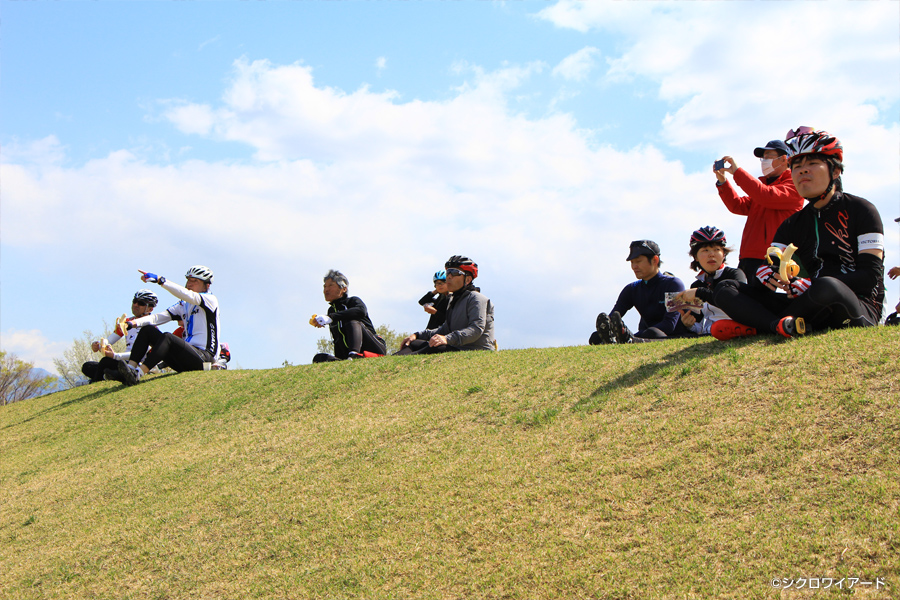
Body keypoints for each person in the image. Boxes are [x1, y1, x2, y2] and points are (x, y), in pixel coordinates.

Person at [712, 129, 885, 339]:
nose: (803, 171)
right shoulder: (791, 224)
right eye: (797, 166)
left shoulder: (863, 210)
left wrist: (810, 284)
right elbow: (766, 278)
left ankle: (760, 325)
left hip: (856, 305)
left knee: (826, 284)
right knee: (724, 287)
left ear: (836, 171)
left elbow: (870, 277)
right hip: (805, 304)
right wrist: (765, 275)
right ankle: (777, 325)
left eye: (812, 163)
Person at [715, 136, 805, 278]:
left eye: (769, 156)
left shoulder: (794, 184)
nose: (764, 161)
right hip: (748, 257)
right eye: (763, 158)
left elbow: (767, 196)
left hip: (773, 260)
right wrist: (723, 182)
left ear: (784, 159)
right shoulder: (763, 189)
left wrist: (738, 173)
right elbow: (737, 206)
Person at [118, 265, 222, 385]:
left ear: (207, 285)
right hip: (185, 358)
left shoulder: (210, 300)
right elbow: (158, 317)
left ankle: (138, 374)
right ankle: (130, 370)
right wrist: (133, 323)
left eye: (195, 281)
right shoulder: (184, 304)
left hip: (204, 358)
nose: (189, 283)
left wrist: (160, 280)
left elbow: (188, 295)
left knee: (168, 337)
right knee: (147, 330)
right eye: (188, 280)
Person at [590, 240, 685, 344]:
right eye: (632, 262)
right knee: (595, 337)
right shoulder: (632, 289)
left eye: (638, 261)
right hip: (643, 336)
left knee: (651, 333)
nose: (634, 266)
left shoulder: (674, 284)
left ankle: (630, 340)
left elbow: (669, 325)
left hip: (669, 337)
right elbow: (612, 319)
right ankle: (625, 341)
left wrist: (631, 336)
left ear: (655, 260)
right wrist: (607, 329)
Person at [397, 255, 495, 354]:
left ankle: (399, 364)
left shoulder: (477, 299)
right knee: (413, 343)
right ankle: (388, 360)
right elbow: (445, 329)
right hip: (456, 347)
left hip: (475, 350)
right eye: (448, 272)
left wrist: (447, 339)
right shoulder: (453, 299)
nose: (448, 276)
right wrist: (417, 335)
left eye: (454, 273)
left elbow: (476, 329)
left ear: (467, 280)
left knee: (433, 349)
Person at [670, 227, 749, 339]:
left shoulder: (735, 274)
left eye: (717, 249)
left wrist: (701, 293)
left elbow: (737, 303)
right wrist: (690, 325)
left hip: (736, 330)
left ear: (724, 254)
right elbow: (700, 325)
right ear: (696, 257)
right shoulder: (696, 285)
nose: (711, 254)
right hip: (710, 333)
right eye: (705, 250)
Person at [81, 289, 158, 383]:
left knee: (105, 362)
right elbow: (109, 340)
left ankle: (97, 380)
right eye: (134, 301)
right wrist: (99, 345)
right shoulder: (127, 323)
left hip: (138, 364)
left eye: (141, 303)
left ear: (150, 309)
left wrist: (116, 356)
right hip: (123, 361)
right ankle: (111, 376)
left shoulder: (151, 328)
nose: (135, 305)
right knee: (87, 366)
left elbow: (140, 354)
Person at [311, 269, 386, 363]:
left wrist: (331, 317)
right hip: (346, 356)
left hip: (374, 349)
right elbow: (337, 339)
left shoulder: (353, 301)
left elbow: (361, 311)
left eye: (330, 285)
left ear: (343, 289)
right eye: (325, 286)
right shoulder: (331, 311)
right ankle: (347, 358)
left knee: (351, 321)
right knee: (319, 358)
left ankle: (354, 354)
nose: (326, 290)